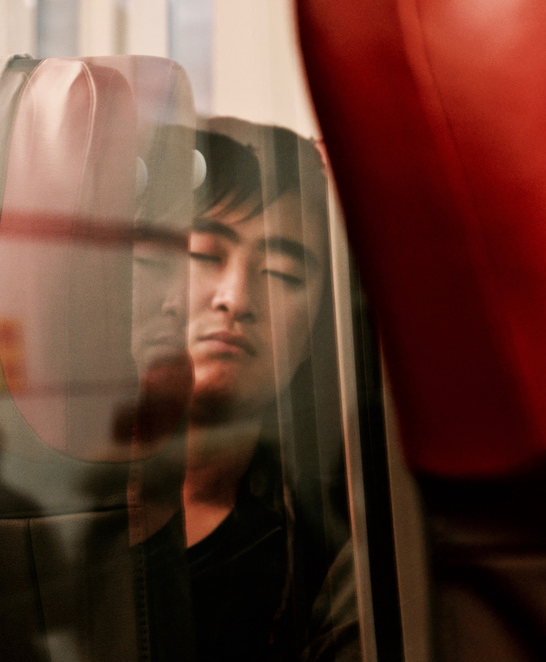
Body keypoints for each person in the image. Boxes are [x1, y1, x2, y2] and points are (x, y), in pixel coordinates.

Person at [183, 119, 358, 662]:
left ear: (314, 334)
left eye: (282, 272)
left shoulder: (333, 560)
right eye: (203, 255)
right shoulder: (36, 514)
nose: (236, 298)